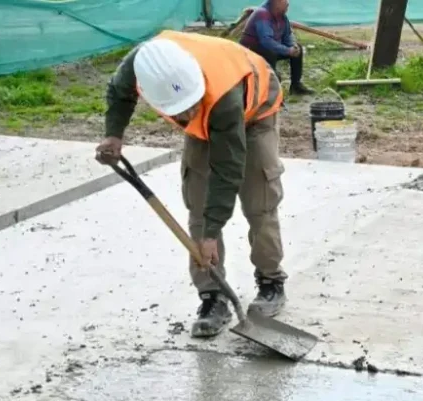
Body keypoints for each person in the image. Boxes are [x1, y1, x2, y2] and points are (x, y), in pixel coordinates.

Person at [95, 31, 290, 339]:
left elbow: (228, 168)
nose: (189, 114)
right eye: (181, 111)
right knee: (197, 204)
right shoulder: (140, 65)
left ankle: (271, 281)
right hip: (210, 115)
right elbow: (119, 93)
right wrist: (113, 134)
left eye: (193, 105)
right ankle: (213, 296)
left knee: (259, 201)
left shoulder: (223, 95)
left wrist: (213, 231)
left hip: (255, 112)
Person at [239, 0, 314, 96]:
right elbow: (266, 41)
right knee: (270, 52)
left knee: (297, 49)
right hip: (251, 51)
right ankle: (272, 91)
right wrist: (287, 50)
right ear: (276, 3)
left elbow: (287, 35)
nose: (288, 3)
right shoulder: (262, 14)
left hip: (269, 49)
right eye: (285, 1)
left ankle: (296, 86)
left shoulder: (282, 16)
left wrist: (293, 46)